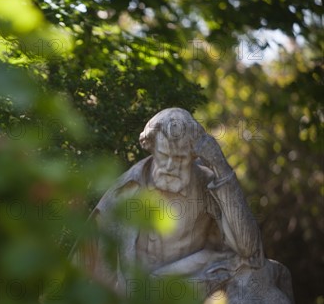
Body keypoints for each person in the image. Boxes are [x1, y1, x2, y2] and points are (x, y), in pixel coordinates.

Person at [74, 107, 264, 292]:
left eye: (180, 158)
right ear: (151, 148)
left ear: (193, 156)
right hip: (133, 298)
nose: (171, 166)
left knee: (255, 283)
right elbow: (90, 262)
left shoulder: (206, 185)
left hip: (191, 286)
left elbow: (249, 250)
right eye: (164, 156)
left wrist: (220, 166)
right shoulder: (125, 191)